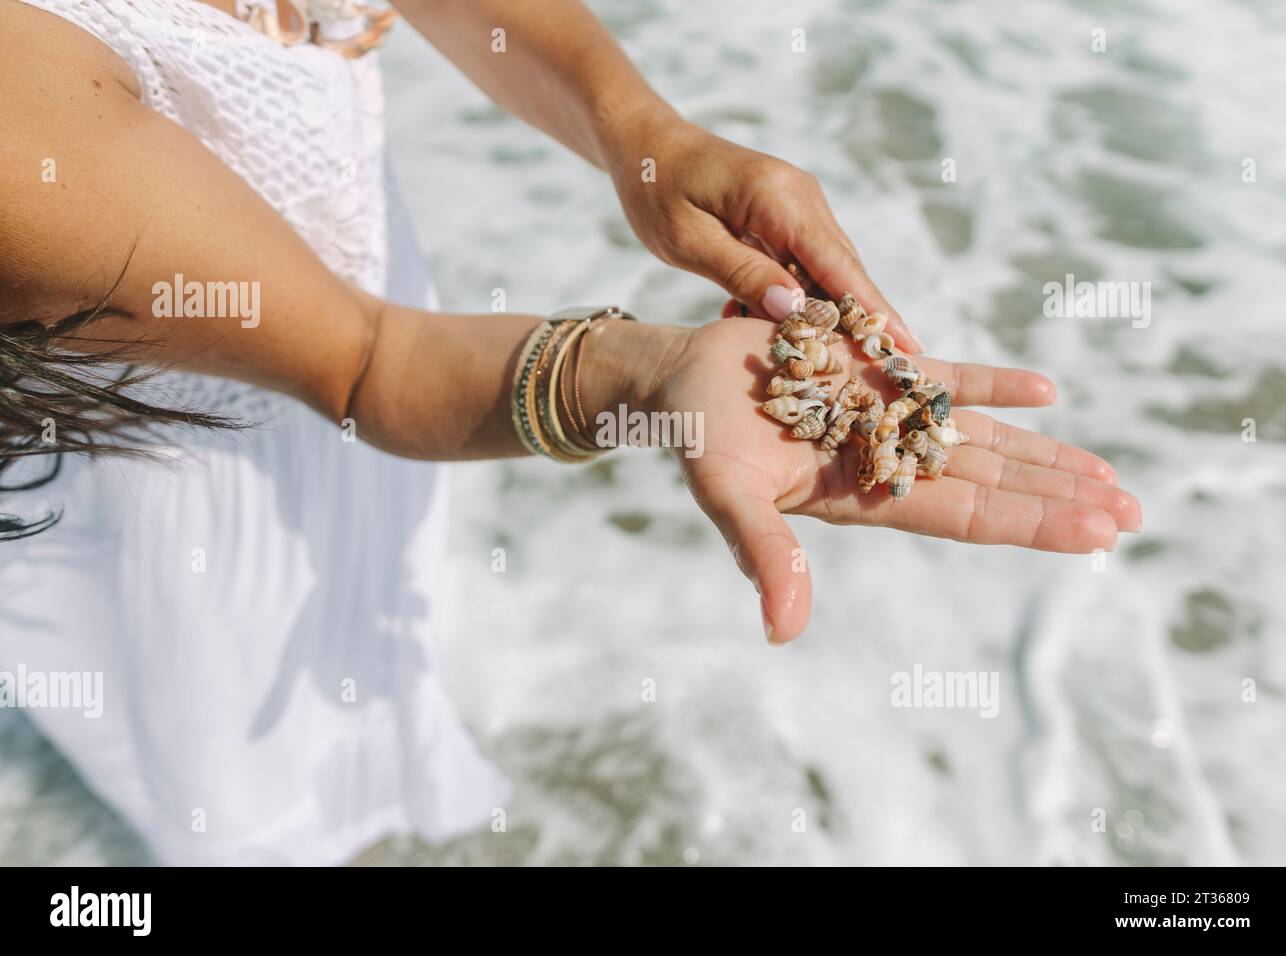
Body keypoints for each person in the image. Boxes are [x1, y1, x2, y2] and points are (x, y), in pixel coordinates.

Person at [0, 0, 1139, 864]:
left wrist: (642, 134)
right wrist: (647, 372)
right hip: (193, 440)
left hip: (365, 322)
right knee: (223, 728)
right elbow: (368, 358)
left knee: (378, 585)